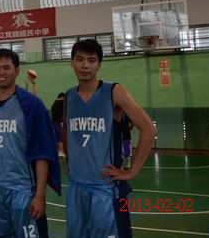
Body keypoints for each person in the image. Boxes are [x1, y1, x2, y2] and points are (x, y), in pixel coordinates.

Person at [64, 39, 155, 238]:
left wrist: (131, 172)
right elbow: (68, 134)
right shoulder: (69, 96)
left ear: (99, 65)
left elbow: (149, 129)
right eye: (79, 59)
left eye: (91, 60)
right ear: (72, 63)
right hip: (76, 186)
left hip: (107, 189)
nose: (85, 65)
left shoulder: (114, 91)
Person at [0, 49, 60, 238]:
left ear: (16, 70)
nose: (1, 72)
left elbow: (43, 152)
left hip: (22, 188)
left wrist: (40, 195)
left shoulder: (32, 105)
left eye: (6, 67)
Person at [51, 92, 66, 158]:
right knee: (59, 138)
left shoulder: (55, 103)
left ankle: (61, 151)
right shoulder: (58, 103)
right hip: (57, 123)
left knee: (59, 138)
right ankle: (61, 151)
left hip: (57, 123)